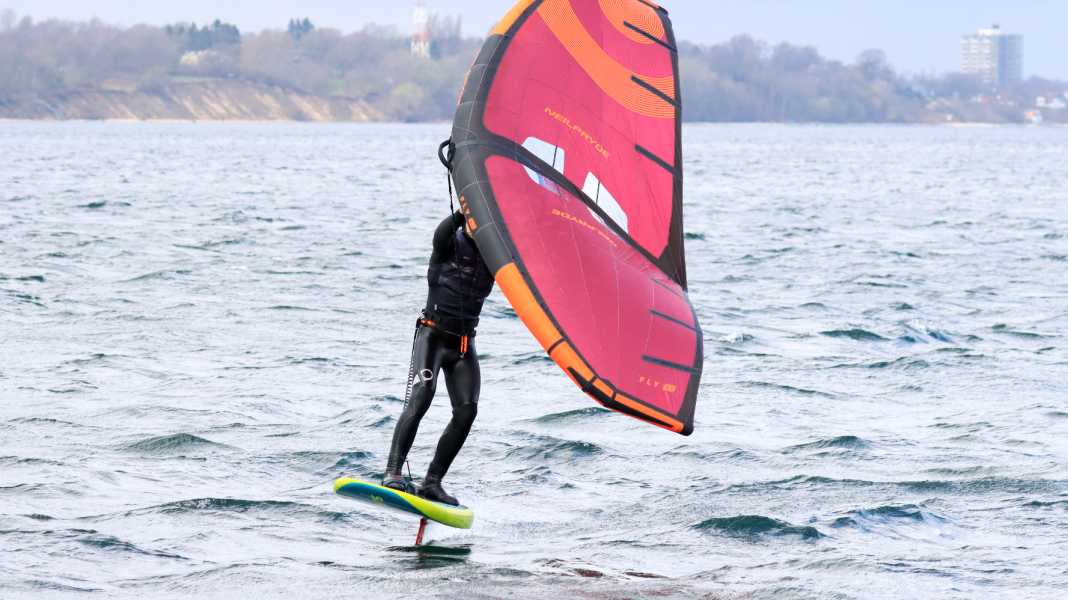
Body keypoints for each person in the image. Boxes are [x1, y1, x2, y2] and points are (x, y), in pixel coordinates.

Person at [381, 208, 494, 506]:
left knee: (467, 411)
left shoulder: (495, 257)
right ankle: (392, 472)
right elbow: (443, 231)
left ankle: (432, 482)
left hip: (463, 346)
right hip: (432, 337)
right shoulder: (448, 243)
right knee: (422, 396)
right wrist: (463, 212)